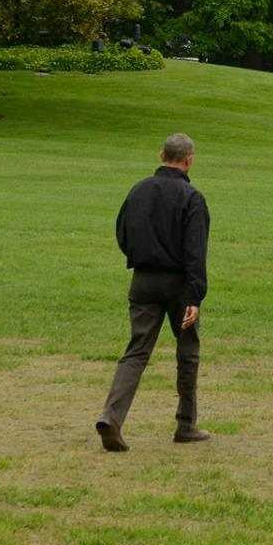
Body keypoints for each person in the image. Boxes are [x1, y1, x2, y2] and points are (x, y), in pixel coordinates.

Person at [96, 132, 212, 451]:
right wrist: (194, 296)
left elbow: (122, 233)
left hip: (143, 280)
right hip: (178, 285)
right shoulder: (193, 199)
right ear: (189, 160)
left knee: (136, 351)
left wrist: (140, 258)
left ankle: (112, 416)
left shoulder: (138, 191)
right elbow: (195, 252)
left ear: (162, 154)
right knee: (187, 351)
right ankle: (185, 424)